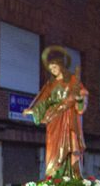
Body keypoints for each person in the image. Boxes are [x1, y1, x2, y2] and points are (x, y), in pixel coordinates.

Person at [22, 46, 88, 178]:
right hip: (54, 119)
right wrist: (32, 111)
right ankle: (55, 175)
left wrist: (80, 98)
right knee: (54, 149)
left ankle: (72, 175)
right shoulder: (50, 85)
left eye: (55, 68)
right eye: (51, 69)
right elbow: (43, 102)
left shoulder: (73, 80)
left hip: (69, 116)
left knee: (71, 144)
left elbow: (82, 94)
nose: (53, 71)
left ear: (61, 66)